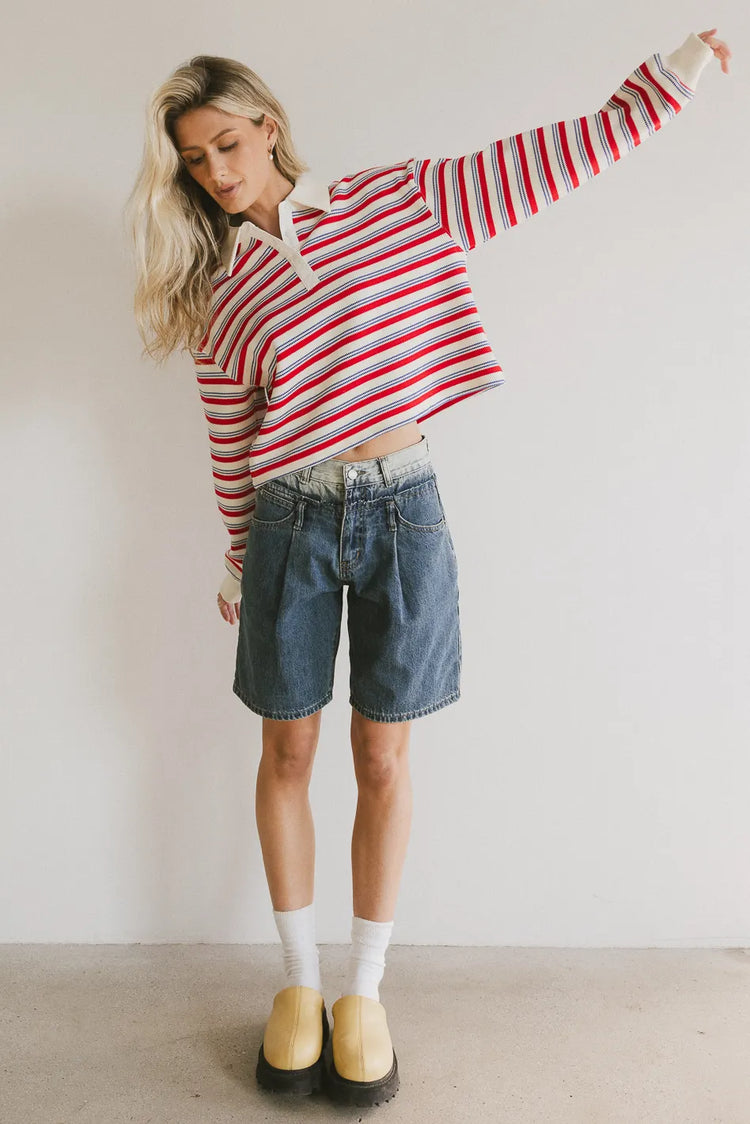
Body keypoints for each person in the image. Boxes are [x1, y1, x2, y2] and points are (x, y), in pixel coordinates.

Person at [124, 26, 730, 1107]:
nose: (216, 174)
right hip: (287, 523)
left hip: (405, 509)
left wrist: (663, 87)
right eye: (195, 161)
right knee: (287, 750)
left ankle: (365, 991)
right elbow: (230, 443)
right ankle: (298, 989)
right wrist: (233, 560)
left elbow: (545, 162)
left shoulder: (390, 204)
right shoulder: (222, 296)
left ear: (268, 128)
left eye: (226, 144)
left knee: (384, 752)